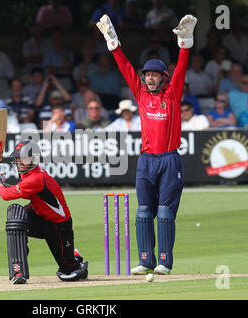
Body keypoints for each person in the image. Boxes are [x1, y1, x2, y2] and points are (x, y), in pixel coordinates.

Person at [96, 13, 197, 275]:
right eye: (147, 75)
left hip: (169, 159)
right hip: (146, 161)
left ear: (164, 78)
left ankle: (164, 261)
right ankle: (145, 261)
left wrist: (184, 43)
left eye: (155, 75)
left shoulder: (172, 94)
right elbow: (125, 68)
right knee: (143, 212)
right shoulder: (140, 94)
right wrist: (113, 42)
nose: (150, 78)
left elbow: (182, 69)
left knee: (164, 213)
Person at [0, 140, 88, 284]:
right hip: (38, 213)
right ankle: (18, 270)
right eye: (18, 157)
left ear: (33, 159)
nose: (20, 161)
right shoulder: (27, 173)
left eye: (24, 158)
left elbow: (6, 195)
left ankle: (74, 257)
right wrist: (1, 181)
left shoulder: (37, 178)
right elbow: (26, 193)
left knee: (69, 273)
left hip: (57, 225)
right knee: (16, 219)